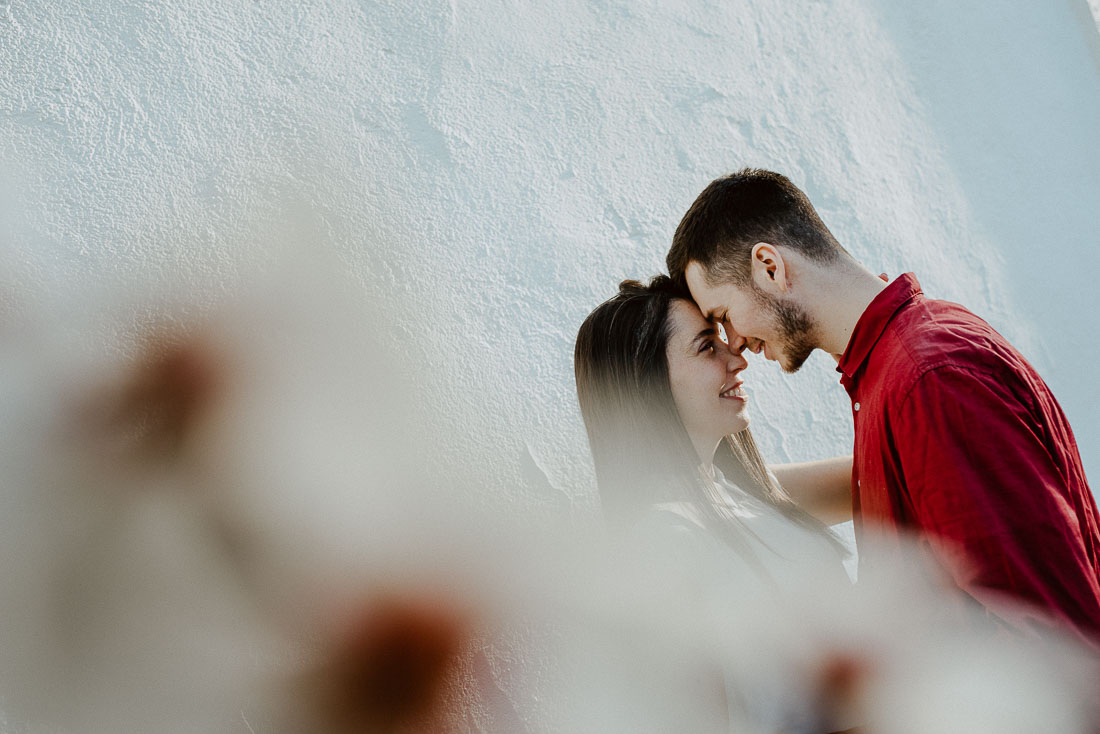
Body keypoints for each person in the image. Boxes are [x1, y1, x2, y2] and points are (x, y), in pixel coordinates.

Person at [666, 167, 1100, 648]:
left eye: (724, 317)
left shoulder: (930, 380)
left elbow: (1056, 643)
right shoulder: (899, 371)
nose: (737, 344)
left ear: (770, 266)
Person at [574, 276, 855, 732]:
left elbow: (882, 473)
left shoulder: (748, 498)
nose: (737, 358)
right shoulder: (661, 542)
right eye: (707, 347)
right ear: (647, 382)